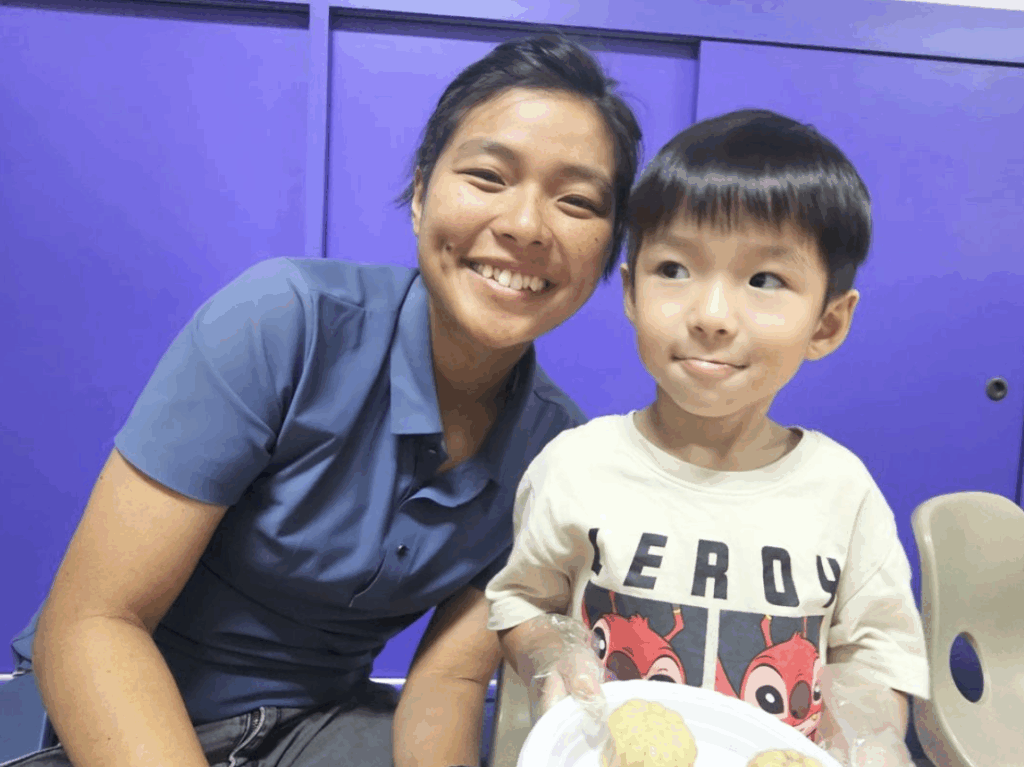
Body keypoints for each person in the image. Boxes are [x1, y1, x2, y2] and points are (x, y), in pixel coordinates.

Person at [6, 35, 642, 767]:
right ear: (421, 192)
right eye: (488, 176)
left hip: (315, 729)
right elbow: (93, 622)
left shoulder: (555, 452)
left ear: (607, 252)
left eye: (576, 201)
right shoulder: (284, 322)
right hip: (113, 714)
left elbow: (444, 683)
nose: (526, 225)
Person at [485, 110, 930, 750]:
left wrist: (871, 739)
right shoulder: (575, 467)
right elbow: (524, 602)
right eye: (674, 269)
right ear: (631, 292)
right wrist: (550, 654)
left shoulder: (843, 491)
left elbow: (874, 652)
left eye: (765, 280)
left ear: (827, 323)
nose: (712, 315)